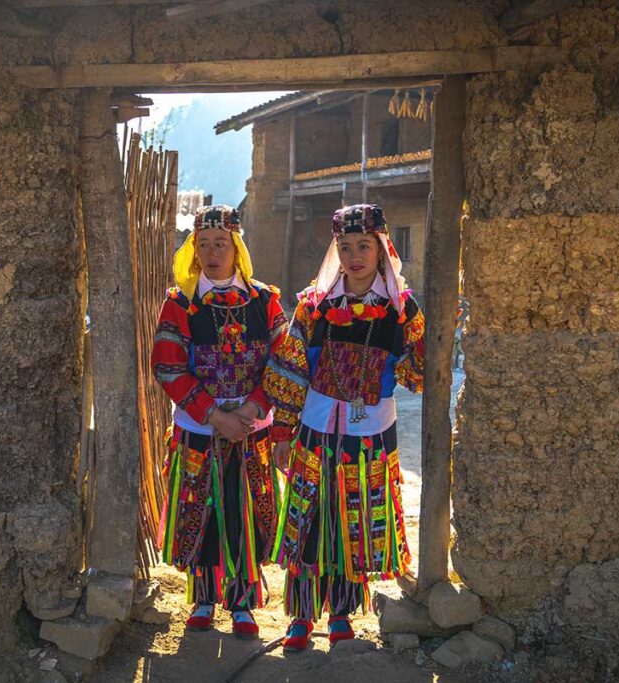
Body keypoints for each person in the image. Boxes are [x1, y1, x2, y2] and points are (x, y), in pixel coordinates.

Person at [263, 203, 425, 651]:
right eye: (346, 246)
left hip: (369, 437)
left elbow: (416, 376)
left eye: (364, 246)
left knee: (352, 524)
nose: (355, 256)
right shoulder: (315, 306)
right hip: (315, 432)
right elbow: (292, 371)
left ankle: (339, 614)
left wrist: (430, 339)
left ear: (381, 249)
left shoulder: (401, 311)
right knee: (307, 520)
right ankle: (299, 616)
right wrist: (281, 434)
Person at [151, 205, 287, 639]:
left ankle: (244, 601)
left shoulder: (265, 300)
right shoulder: (180, 304)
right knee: (203, 510)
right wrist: (213, 415)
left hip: (251, 430)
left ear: (236, 247)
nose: (212, 253)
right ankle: (204, 597)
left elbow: (283, 361)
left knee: (243, 510)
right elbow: (169, 366)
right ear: (193, 249)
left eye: (220, 244)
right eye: (203, 244)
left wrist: (250, 410)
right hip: (199, 430)